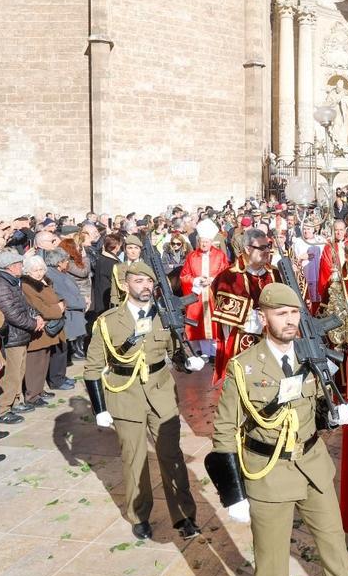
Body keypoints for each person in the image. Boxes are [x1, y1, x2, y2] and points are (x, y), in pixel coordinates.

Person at [208, 283, 348, 576]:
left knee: (337, 554)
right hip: (269, 473)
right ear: (264, 317)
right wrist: (233, 493)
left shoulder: (312, 356)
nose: (290, 320)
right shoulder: (244, 367)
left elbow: (317, 413)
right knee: (272, 566)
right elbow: (224, 431)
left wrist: (335, 417)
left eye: (294, 313)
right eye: (281, 314)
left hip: (313, 467)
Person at [83, 261, 201, 540]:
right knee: (134, 459)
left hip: (160, 392)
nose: (145, 286)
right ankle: (139, 514)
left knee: (172, 457)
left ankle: (184, 516)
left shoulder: (165, 315)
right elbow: (92, 367)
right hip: (125, 394)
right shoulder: (109, 321)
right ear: (126, 285)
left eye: (149, 282)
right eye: (138, 281)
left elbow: (175, 352)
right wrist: (100, 408)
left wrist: (189, 362)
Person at [211, 228, 282, 383]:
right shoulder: (229, 276)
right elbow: (228, 316)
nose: (267, 251)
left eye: (268, 247)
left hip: (274, 341)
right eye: (261, 248)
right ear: (248, 249)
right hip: (244, 341)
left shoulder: (275, 273)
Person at [0, 249, 42, 421]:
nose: (22, 267)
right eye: (19, 264)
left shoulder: (12, 282)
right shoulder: (0, 285)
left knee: (19, 370)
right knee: (11, 374)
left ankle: (16, 401)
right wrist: (33, 323)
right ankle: (3, 408)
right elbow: (11, 313)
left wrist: (36, 316)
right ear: (10, 267)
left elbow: (23, 305)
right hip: (11, 335)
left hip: (20, 334)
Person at [179, 219, 229, 356]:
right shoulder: (192, 257)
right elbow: (184, 276)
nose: (204, 244)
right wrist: (196, 280)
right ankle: (201, 352)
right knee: (198, 323)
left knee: (215, 324)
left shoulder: (220, 256)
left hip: (214, 295)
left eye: (206, 241)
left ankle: (216, 352)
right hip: (197, 296)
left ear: (211, 241)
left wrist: (212, 280)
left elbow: (226, 275)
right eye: (202, 241)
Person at [20, 254, 64, 407]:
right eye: (35, 270)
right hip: (38, 329)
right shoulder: (28, 286)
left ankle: (39, 390)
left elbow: (57, 299)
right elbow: (40, 307)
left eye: (41, 269)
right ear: (27, 272)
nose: (39, 273)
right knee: (35, 363)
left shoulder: (44, 282)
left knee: (44, 361)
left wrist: (60, 305)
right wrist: (58, 308)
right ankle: (32, 395)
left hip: (48, 328)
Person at [44, 248, 85, 390]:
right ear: (59, 262)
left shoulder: (59, 273)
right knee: (59, 350)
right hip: (63, 315)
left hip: (69, 314)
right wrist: (82, 303)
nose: (68, 263)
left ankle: (60, 376)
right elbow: (62, 295)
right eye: (66, 260)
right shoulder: (52, 275)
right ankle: (56, 380)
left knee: (63, 349)